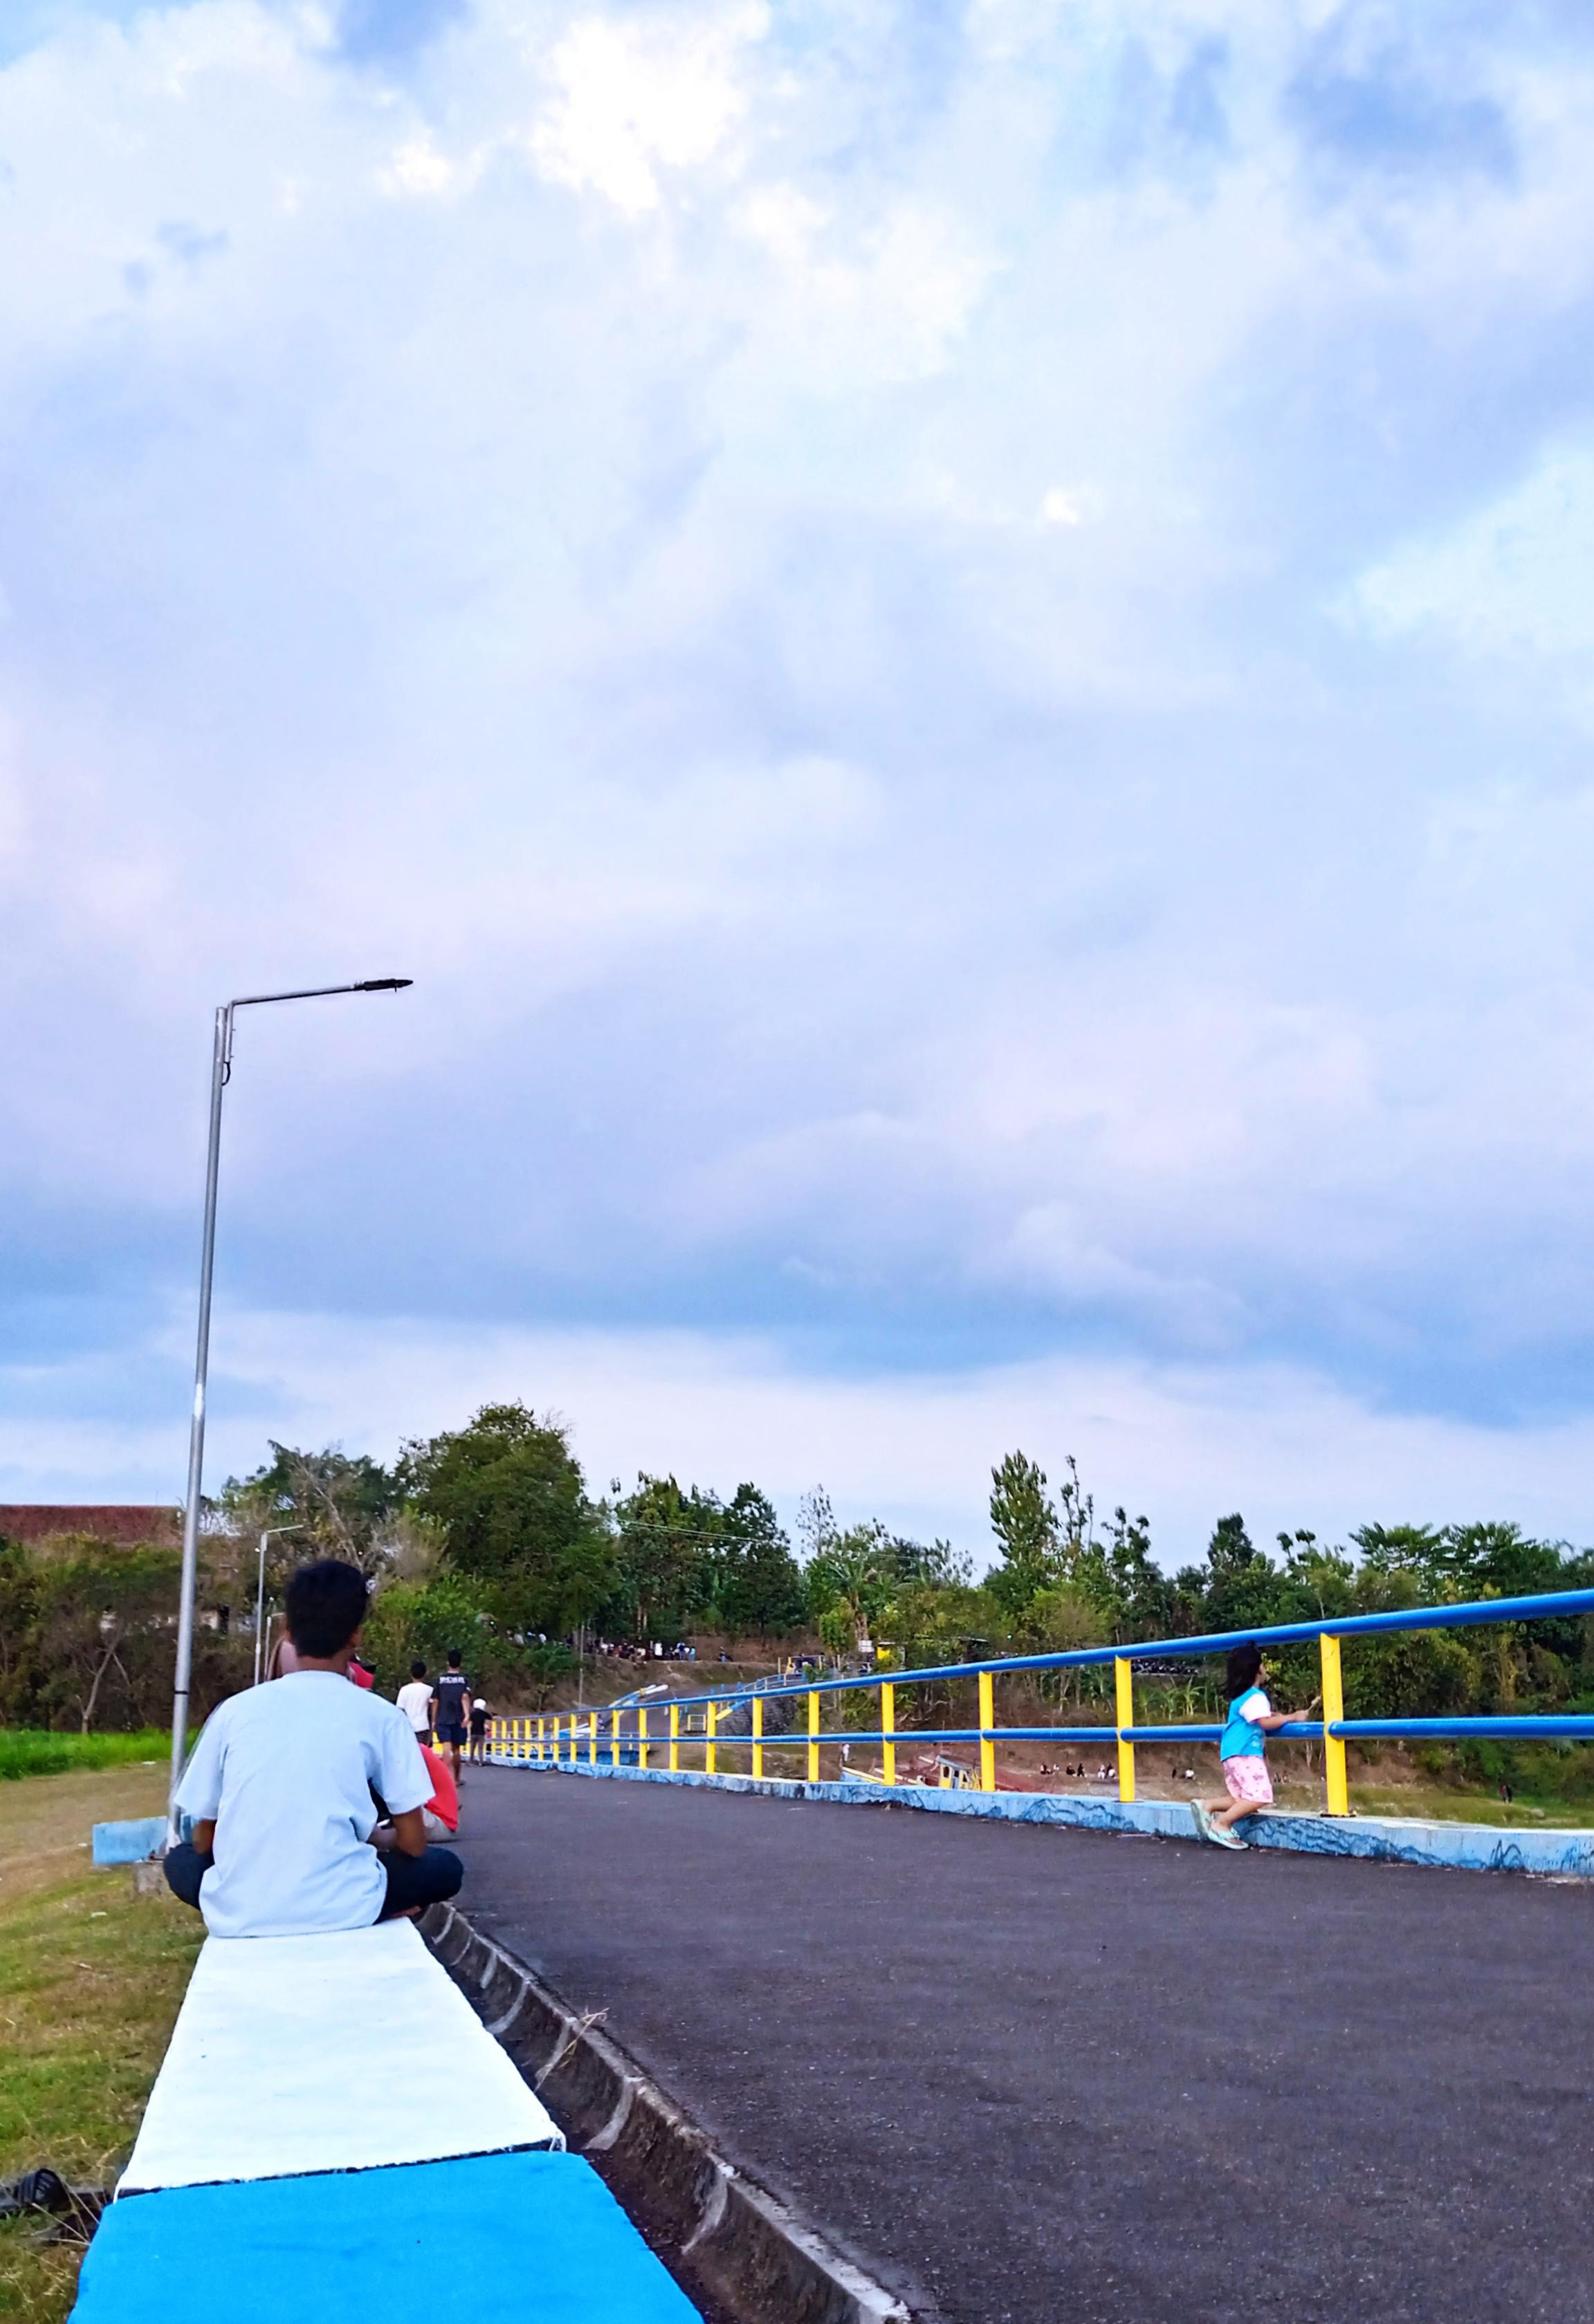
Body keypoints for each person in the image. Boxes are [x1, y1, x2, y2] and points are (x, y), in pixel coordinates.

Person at [165, 1559, 464, 1935]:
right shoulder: (383, 1717)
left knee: (179, 1861)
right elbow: (414, 1844)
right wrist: (372, 1844)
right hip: (345, 1902)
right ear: (356, 1636)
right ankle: (382, 1906)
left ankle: (265, 1902)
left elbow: (204, 1840)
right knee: (445, 1869)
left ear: (288, 1632)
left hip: (242, 1908)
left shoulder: (234, 1712)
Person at [1194, 1642, 1317, 1850]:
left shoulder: (1241, 1698)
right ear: (1257, 1670)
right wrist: (1293, 1717)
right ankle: (1222, 1824)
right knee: (1260, 1795)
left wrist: (1278, 1716)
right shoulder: (1256, 1697)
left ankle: (1208, 1805)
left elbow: (1260, 1717)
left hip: (1231, 1752)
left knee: (1242, 1798)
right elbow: (1265, 1723)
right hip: (1245, 1753)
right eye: (1263, 1664)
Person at [432, 1649, 470, 1782]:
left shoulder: (440, 1680)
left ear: (448, 1663)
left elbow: (435, 1701)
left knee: (446, 1747)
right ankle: (457, 1778)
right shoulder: (464, 1680)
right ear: (460, 1663)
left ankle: (446, 1780)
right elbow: (465, 1697)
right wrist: (467, 1715)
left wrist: (434, 1719)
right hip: (458, 1718)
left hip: (443, 1717)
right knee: (457, 1749)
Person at [396, 1658, 434, 1746]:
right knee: (422, 1750)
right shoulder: (429, 1690)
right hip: (423, 1726)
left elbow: (400, 1710)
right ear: (425, 1673)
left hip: (408, 1727)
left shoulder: (404, 1690)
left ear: (411, 1674)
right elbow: (432, 1711)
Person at [467, 1697, 491, 1765]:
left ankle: (471, 1761)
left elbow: (470, 1722)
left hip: (473, 1732)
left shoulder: (472, 1714)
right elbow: (490, 1718)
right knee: (480, 1748)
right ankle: (481, 1761)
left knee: (472, 1748)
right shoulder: (484, 1713)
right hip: (481, 1733)